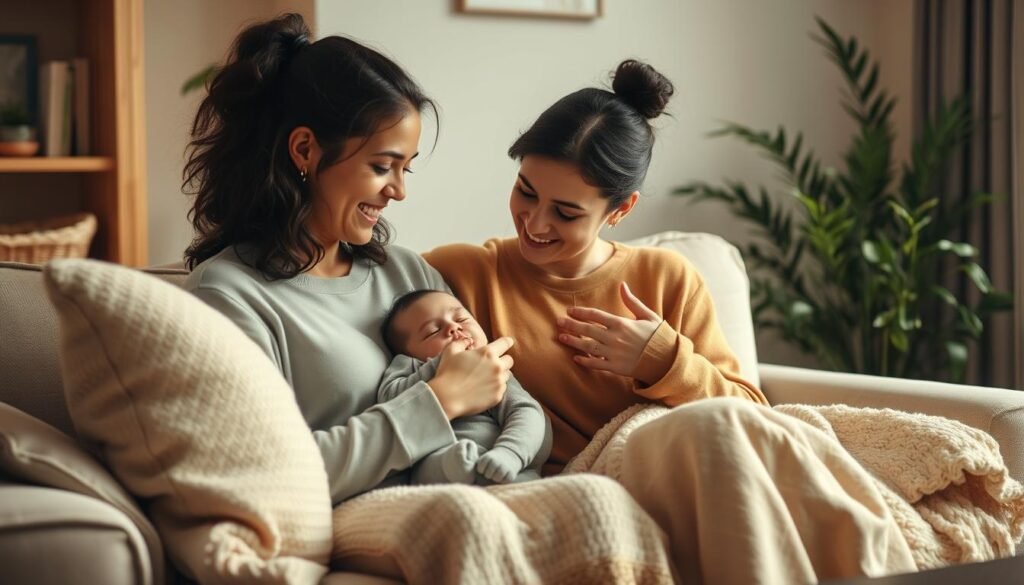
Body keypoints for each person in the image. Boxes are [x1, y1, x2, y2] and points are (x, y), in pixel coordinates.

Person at [179, 13, 673, 584]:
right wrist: (435, 401)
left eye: (405, 168)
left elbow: (501, 395)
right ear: (306, 150)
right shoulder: (229, 296)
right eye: (382, 167)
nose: (400, 190)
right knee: (475, 520)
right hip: (361, 511)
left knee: (604, 510)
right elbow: (263, 476)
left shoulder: (408, 272)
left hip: (468, 485)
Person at [424, 59, 917, 583]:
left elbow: (751, 414)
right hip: (579, 486)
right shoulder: (463, 273)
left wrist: (663, 361)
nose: (535, 222)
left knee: (724, 427)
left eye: (566, 213)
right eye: (526, 190)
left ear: (621, 210)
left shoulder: (668, 276)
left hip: (686, 469)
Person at [379, 289, 551, 485]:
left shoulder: (492, 368)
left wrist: (509, 453)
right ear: (408, 352)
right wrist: (440, 364)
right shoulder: (410, 367)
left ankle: (508, 460)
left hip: (505, 463)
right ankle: (455, 465)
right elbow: (390, 402)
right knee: (426, 467)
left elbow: (525, 412)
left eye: (461, 319)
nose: (453, 328)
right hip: (441, 465)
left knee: (534, 423)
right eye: (433, 331)